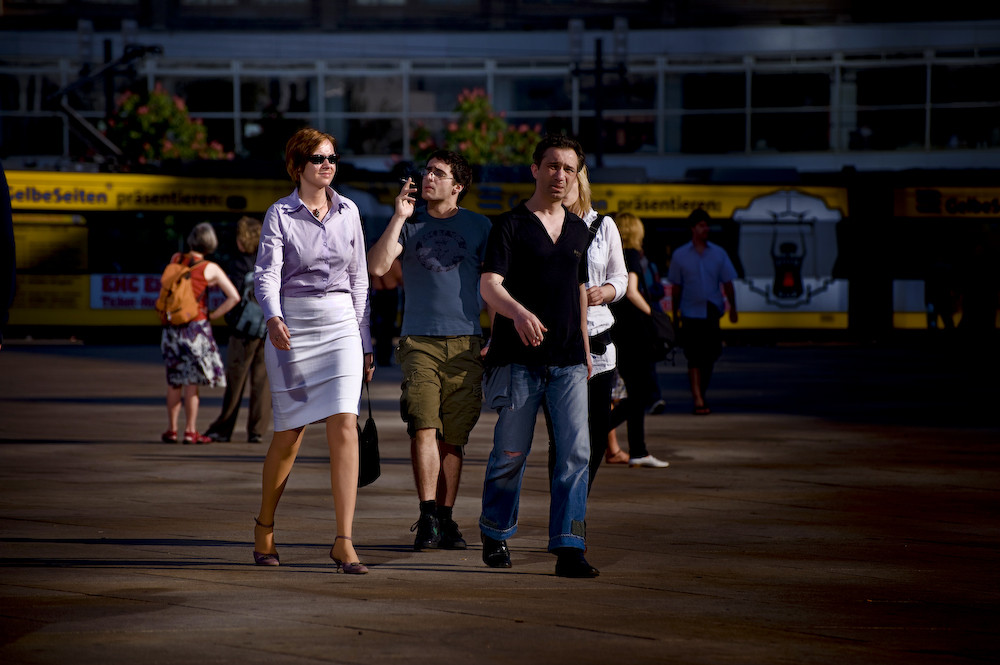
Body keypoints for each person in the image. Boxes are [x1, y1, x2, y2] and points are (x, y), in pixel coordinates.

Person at [252, 128, 375, 574]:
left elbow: (360, 279)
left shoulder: (350, 211)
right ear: (298, 165)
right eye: (319, 158)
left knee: (345, 423)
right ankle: (264, 525)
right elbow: (266, 274)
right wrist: (272, 316)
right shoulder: (280, 214)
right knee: (290, 434)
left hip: (342, 322)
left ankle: (344, 540)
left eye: (332, 158)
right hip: (294, 326)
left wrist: (365, 342)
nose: (328, 165)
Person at [478, 134, 598, 578]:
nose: (560, 176)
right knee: (510, 454)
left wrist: (586, 349)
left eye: (568, 169)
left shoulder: (579, 230)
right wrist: (519, 314)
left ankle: (570, 546)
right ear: (535, 169)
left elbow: (580, 292)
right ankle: (495, 532)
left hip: (568, 360)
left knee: (575, 454)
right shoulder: (509, 225)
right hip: (517, 361)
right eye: (552, 166)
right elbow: (490, 284)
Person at [368, 149, 492, 552]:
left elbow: (496, 284)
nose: (427, 177)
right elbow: (377, 267)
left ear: (457, 186)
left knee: (453, 439)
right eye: (426, 172)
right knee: (424, 424)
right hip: (418, 340)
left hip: (467, 342)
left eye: (437, 173)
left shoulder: (481, 227)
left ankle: (446, 517)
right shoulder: (409, 223)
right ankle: (426, 516)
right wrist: (400, 216)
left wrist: (496, 336)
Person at [544, 164, 628, 489]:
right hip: (561, 345)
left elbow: (620, 277)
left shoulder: (605, 226)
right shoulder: (546, 226)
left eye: (568, 184)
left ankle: (575, 510)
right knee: (563, 440)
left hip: (600, 346)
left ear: (580, 184)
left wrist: (604, 291)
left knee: (594, 437)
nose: (561, 190)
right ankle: (563, 518)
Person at [159, 222, 241, 445]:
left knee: (174, 381)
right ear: (211, 243)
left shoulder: (176, 259)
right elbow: (234, 296)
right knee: (192, 382)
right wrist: (214, 315)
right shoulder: (210, 268)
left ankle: (171, 429)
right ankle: (190, 431)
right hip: (196, 328)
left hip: (172, 327)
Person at [607, 212, 670, 468]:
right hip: (634, 330)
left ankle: (638, 450)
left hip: (618, 329)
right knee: (639, 394)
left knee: (634, 392)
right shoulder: (631, 253)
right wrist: (652, 314)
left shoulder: (610, 252)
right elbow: (632, 291)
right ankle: (599, 430)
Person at [206, 216, 272, 443]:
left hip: (243, 330)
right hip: (267, 328)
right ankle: (257, 431)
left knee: (236, 380)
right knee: (262, 382)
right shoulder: (269, 260)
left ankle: (223, 429)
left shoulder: (238, 264)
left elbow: (233, 296)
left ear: (243, 238)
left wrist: (217, 315)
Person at [668, 208, 738, 415]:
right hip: (690, 313)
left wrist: (733, 308)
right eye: (701, 225)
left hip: (712, 311)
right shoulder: (680, 255)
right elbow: (676, 289)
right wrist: (675, 315)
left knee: (711, 355)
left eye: (707, 225)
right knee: (694, 357)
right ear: (693, 229)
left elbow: (728, 283)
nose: (706, 229)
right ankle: (698, 398)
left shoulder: (719, 253)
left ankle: (701, 392)